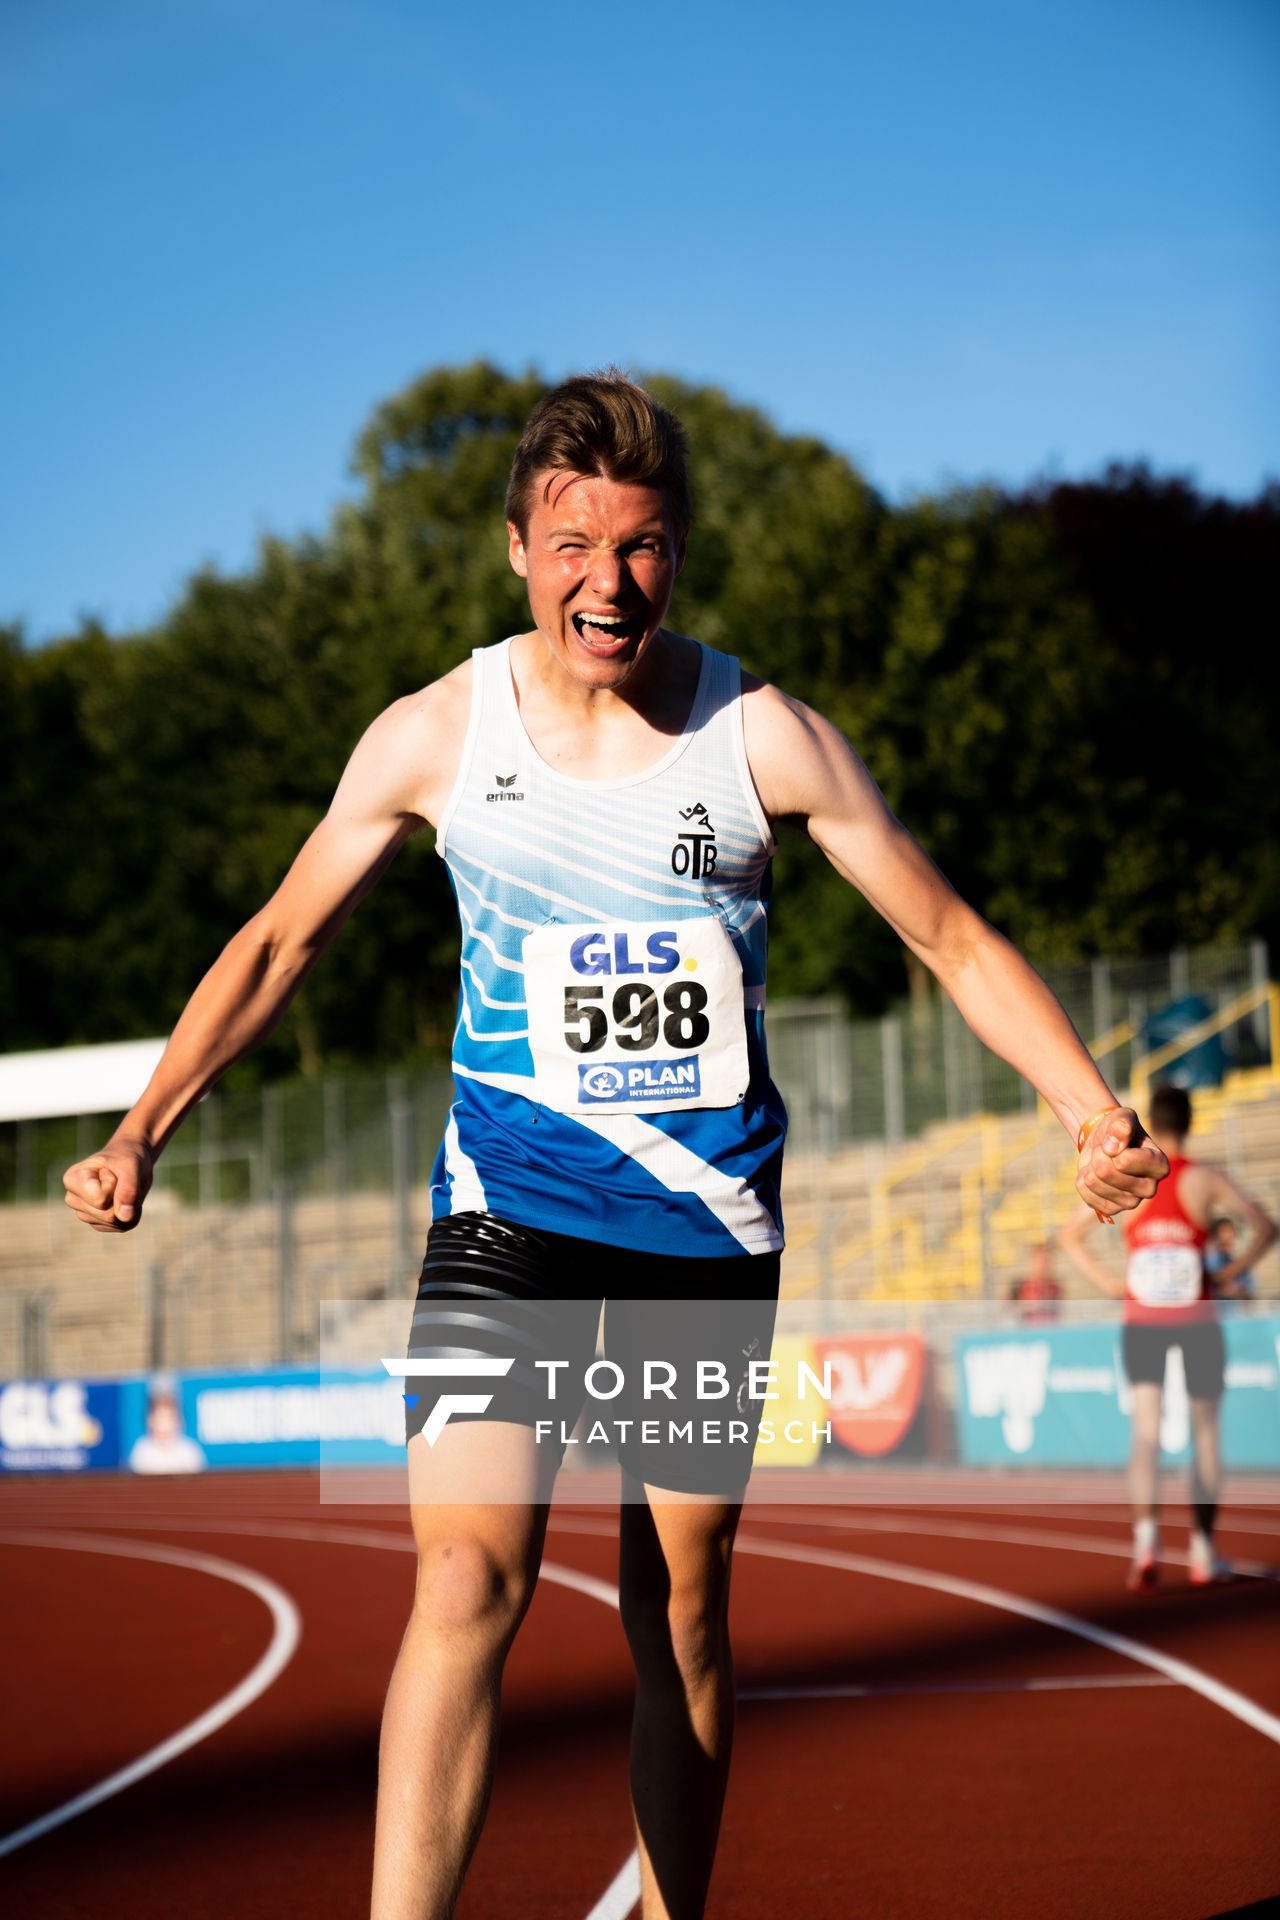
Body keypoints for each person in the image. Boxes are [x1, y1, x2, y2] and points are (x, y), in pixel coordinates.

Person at [62, 370, 1167, 1920]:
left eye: (643, 547)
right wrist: (143, 1133)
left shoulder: (760, 734)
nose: (610, 581)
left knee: (685, 1611)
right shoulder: (437, 734)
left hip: (704, 1243)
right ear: (520, 545)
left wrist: (1090, 1107)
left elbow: (951, 938)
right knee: (466, 1578)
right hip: (501, 1219)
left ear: (681, 554)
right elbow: (276, 946)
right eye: (576, 545)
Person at [1060, 1081, 1276, 1592]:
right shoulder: (1205, 1181)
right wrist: (1230, 1273)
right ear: (1192, 1122)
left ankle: (1146, 1546)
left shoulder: (1133, 1173)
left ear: (1152, 1122)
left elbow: (1069, 1235)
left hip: (1143, 1322)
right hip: (1197, 1319)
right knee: (1205, 1434)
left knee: (1146, 1432)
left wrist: (1110, 1283)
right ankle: (1202, 1552)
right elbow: (1267, 1226)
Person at [1009, 1241, 1063, 1323]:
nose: (1043, 1264)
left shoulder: (1055, 1287)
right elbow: (1005, 1311)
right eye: (1040, 1260)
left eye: (1047, 1260)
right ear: (1032, 1261)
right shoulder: (1020, 1285)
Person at [1205, 1214, 1256, 1301]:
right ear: (1216, 1235)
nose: (1233, 1234)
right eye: (1227, 1231)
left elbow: (1249, 1291)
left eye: (1233, 1230)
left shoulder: (1233, 1259)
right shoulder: (1211, 1256)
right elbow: (1214, 1285)